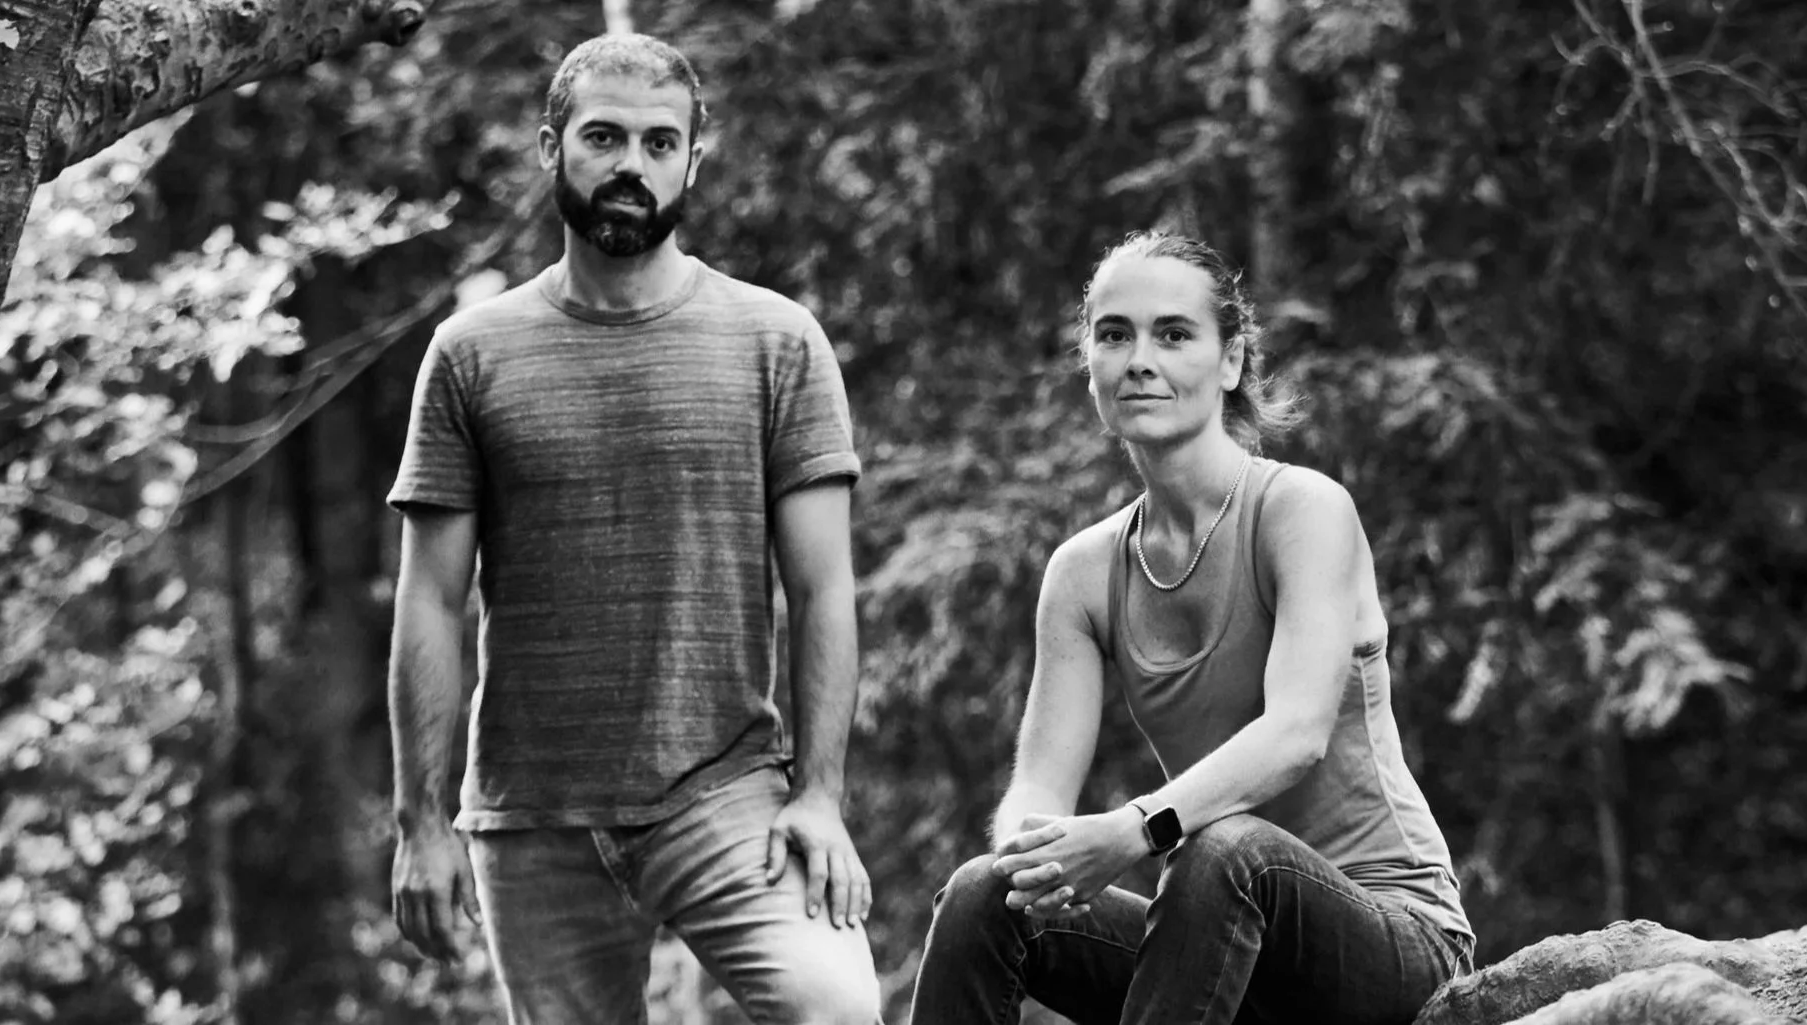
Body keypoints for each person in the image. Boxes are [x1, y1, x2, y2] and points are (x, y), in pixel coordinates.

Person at [382, 32, 881, 1025]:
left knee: (835, 1007)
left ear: (693, 160)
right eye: (603, 137)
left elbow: (824, 588)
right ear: (548, 147)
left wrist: (819, 794)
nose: (630, 166)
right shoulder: (469, 354)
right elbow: (431, 599)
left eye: (660, 144)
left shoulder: (775, 341)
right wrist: (418, 823)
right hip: (532, 816)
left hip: (725, 789)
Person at [906, 232, 1473, 1025]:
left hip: (1394, 939)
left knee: (1224, 847)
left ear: (1232, 360)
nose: (1140, 358)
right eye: (1114, 334)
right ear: (1091, 364)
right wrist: (1033, 857)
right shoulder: (1083, 571)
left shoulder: (1302, 512)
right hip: (1218, 946)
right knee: (983, 892)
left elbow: (1298, 732)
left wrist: (1132, 829)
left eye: (1173, 334)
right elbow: (1037, 784)